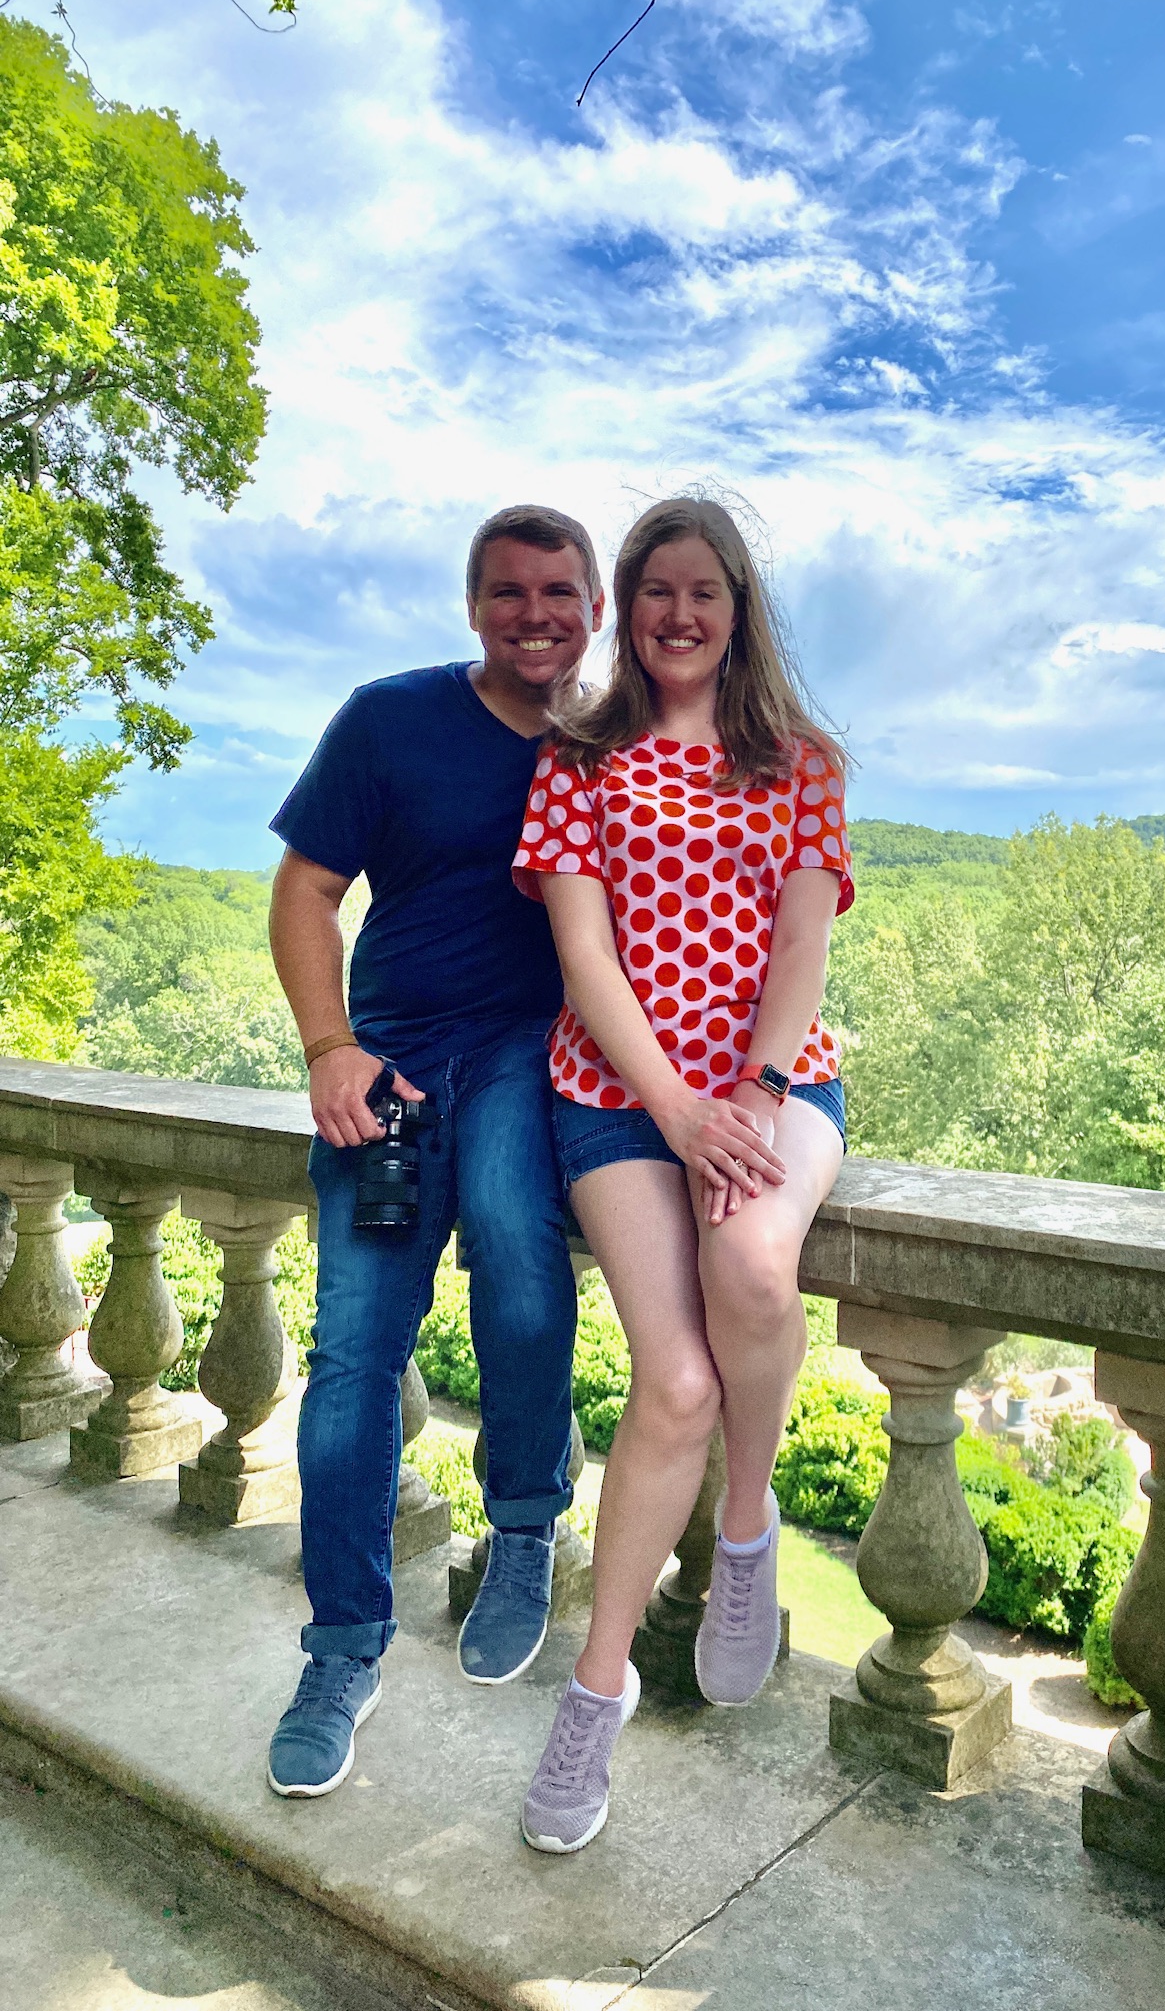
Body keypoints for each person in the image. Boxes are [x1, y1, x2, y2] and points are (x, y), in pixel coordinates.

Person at [510, 496, 853, 1853]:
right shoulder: (578, 760)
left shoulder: (801, 760)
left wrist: (753, 1096)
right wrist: (676, 1106)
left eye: (702, 592)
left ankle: (747, 1531)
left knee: (755, 1263)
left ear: (737, 607)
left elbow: (802, 944)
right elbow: (583, 959)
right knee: (675, 1379)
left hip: (777, 1080)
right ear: (627, 609)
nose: (677, 615)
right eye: (654, 591)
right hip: (613, 1097)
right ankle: (594, 1694)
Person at [262, 504, 605, 1798]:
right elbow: (305, 890)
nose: (535, 615)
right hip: (393, 1066)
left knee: (521, 1245)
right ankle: (343, 1646)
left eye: (560, 593)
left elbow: (699, 891)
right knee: (355, 1349)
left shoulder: (606, 741)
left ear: (593, 612)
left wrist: (785, 1030)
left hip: (529, 1050)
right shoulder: (387, 718)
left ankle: (522, 1525)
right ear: (474, 606)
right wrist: (328, 1046)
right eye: (510, 592)